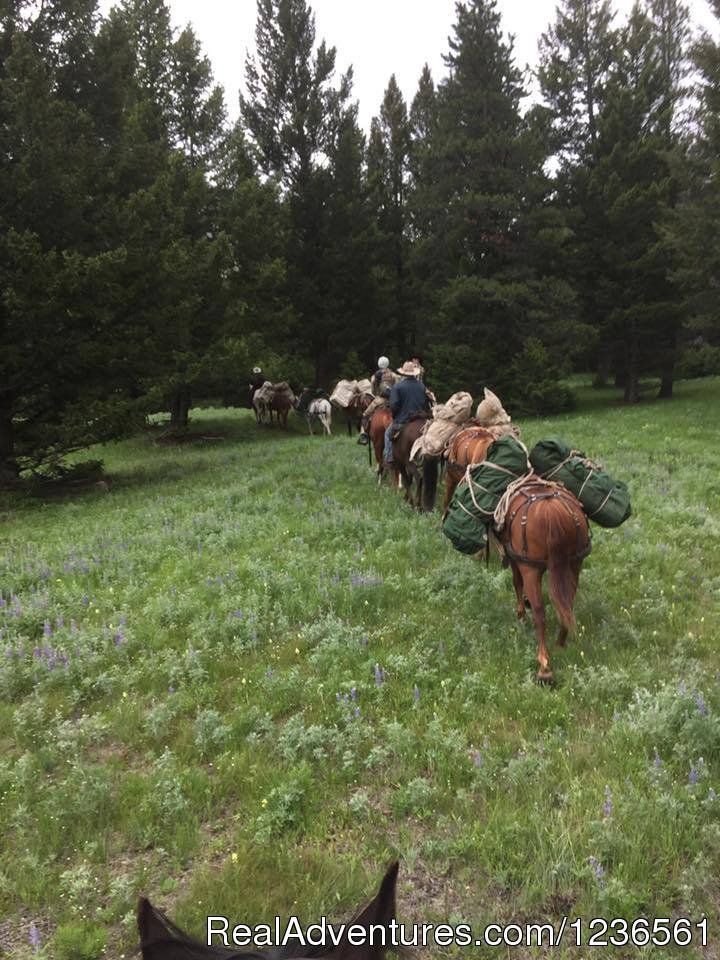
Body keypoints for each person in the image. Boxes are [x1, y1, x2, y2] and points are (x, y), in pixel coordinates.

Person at [384, 361, 431, 464]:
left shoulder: (398, 387)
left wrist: (395, 416)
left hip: (403, 420)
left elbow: (394, 405)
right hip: (421, 419)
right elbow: (426, 402)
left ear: (403, 373)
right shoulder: (421, 385)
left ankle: (390, 457)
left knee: (387, 434)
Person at [357, 357, 398, 445]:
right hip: (393, 400)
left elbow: (373, 391)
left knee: (365, 414)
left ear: (379, 364)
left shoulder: (375, 376)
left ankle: (363, 435)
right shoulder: (394, 375)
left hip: (380, 400)